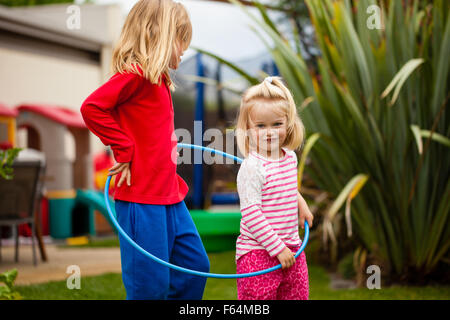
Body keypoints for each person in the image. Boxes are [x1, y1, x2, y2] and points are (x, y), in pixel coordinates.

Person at [80, 0, 209, 300]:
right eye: (181, 40)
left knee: (195, 266)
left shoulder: (158, 80)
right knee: (149, 287)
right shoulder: (134, 75)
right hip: (142, 199)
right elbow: (92, 108)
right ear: (160, 35)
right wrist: (124, 148)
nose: (184, 50)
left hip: (169, 197)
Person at [234, 76, 314, 300]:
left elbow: (286, 188)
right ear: (248, 129)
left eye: (276, 124)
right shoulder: (252, 168)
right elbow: (251, 214)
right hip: (259, 254)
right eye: (261, 126)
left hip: (293, 249)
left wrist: (302, 205)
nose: (269, 132)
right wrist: (277, 248)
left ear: (288, 125)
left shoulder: (289, 158)